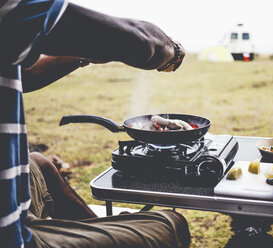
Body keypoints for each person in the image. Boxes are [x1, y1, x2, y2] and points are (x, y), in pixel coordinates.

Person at [0, 1, 189, 247]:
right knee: (172, 223)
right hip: (11, 237)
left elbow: (25, 74)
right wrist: (171, 49)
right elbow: (142, 42)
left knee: (40, 164)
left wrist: (84, 53)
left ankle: (99, 230)